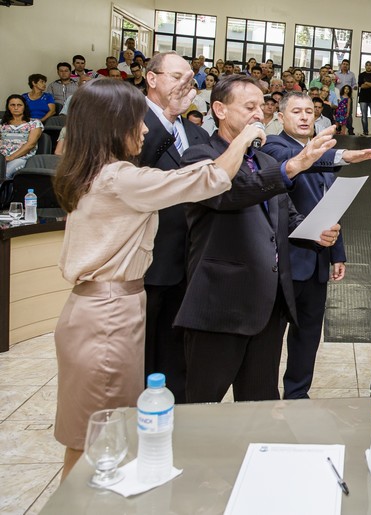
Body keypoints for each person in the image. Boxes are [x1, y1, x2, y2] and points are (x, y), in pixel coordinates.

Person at [51, 77, 263, 479]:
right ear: (114, 125)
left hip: (103, 310)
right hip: (107, 317)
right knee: (99, 440)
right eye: (138, 120)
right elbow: (211, 180)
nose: (145, 129)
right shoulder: (119, 179)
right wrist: (246, 138)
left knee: (98, 433)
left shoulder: (91, 171)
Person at [175, 76, 341, 404]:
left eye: (260, 108)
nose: (257, 115)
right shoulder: (199, 156)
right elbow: (230, 193)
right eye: (248, 107)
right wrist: (293, 167)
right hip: (221, 304)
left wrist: (316, 233)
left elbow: (287, 219)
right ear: (219, 110)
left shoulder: (265, 160)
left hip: (268, 304)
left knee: (261, 401)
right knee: (202, 405)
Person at [262, 92, 371, 399]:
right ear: (281, 117)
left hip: (317, 261)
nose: (304, 117)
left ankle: (297, 394)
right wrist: (340, 156)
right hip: (285, 260)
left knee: (308, 334)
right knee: (272, 337)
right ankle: (262, 395)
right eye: (296, 111)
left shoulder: (321, 154)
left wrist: (336, 252)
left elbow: (329, 206)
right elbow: (297, 165)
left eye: (309, 112)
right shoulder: (275, 146)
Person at [137, 51, 212, 403]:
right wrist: (166, 115)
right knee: (144, 352)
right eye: (177, 76)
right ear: (152, 78)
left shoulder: (196, 132)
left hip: (193, 258)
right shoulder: (131, 121)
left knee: (180, 350)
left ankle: (179, 412)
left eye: (190, 79)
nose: (186, 85)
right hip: (151, 257)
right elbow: (136, 168)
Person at [1, 95, 43, 177]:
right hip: (2, 157)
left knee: (4, 173)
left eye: (19, 105)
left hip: (21, 158)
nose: (16, 108)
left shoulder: (34, 123)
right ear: (8, 107)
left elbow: (31, 144)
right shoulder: (2, 123)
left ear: (24, 107)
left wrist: (10, 157)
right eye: (12, 105)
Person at [358, 61, 371, 136]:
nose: (368, 67)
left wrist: (366, 83)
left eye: (370, 65)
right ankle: (365, 131)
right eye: (367, 65)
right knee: (364, 116)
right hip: (363, 98)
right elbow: (362, 86)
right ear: (365, 66)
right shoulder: (361, 75)